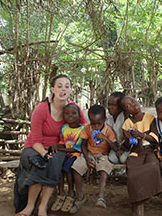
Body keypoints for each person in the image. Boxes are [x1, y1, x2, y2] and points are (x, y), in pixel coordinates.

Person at [14, 74, 87, 216]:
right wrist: (44, 153)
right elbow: (35, 139)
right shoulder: (41, 109)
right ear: (52, 89)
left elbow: (84, 128)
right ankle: (29, 207)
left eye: (67, 86)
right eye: (59, 86)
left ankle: (42, 207)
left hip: (59, 147)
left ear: (71, 90)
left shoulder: (74, 108)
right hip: (35, 147)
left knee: (53, 164)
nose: (63, 89)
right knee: (39, 162)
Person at [121, 95, 162, 216]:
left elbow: (155, 139)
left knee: (153, 164)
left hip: (150, 150)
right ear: (126, 111)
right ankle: (138, 200)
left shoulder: (150, 118)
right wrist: (128, 138)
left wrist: (141, 135)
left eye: (133, 100)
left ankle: (144, 196)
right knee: (132, 171)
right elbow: (126, 146)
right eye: (128, 105)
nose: (133, 103)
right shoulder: (127, 123)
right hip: (136, 152)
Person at [71, 104, 117, 209]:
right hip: (89, 154)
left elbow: (115, 147)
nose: (96, 126)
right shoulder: (87, 128)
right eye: (93, 123)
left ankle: (101, 197)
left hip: (103, 155)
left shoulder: (108, 130)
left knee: (104, 170)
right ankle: (80, 196)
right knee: (76, 168)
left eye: (99, 123)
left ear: (104, 119)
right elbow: (83, 145)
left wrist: (105, 138)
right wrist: (87, 159)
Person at [50, 103, 85, 213]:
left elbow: (76, 149)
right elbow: (62, 142)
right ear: (63, 116)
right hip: (65, 153)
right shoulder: (64, 128)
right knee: (58, 167)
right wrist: (57, 145)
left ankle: (70, 192)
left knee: (69, 169)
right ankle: (61, 193)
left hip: (76, 155)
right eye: (67, 113)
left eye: (74, 113)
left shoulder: (82, 129)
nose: (70, 115)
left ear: (79, 116)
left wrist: (60, 149)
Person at [107, 92, 130, 164]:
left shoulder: (125, 118)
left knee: (123, 159)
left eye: (113, 105)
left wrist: (122, 150)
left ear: (121, 106)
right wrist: (117, 150)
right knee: (112, 158)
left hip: (127, 147)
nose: (110, 107)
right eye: (109, 104)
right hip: (116, 146)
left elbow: (128, 139)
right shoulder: (110, 120)